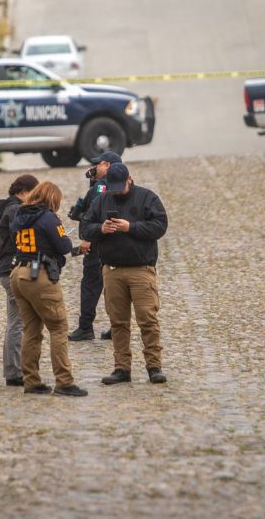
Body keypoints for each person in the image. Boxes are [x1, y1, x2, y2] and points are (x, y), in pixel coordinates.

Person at [80, 163, 169, 385]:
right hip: (112, 270)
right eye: (113, 187)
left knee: (147, 319)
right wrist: (101, 229)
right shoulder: (102, 199)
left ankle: (154, 366)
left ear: (130, 179)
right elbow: (85, 227)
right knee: (118, 322)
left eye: (120, 186)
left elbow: (160, 226)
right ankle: (122, 368)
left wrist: (131, 227)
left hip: (141, 269)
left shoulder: (147, 198)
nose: (117, 191)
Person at [10, 182, 88, 397]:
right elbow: (63, 247)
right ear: (51, 199)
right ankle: (64, 382)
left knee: (32, 331)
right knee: (58, 327)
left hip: (18, 274)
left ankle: (31, 381)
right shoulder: (47, 217)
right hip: (39, 276)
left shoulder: (20, 214)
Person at [67, 151, 124, 342]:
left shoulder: (100, 187)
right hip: (117, 245)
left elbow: (93, 214)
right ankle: (117, 326)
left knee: (90, 286)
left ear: (107, 165)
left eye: (97, 164)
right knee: (115, 288)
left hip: (97, 245)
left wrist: (88, 238)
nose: (93, 168)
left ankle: (85, 327)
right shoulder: (122, 185)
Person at [0, 173, 39, 387]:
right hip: (11, 270)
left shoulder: (10, 208)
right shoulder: (14, 210)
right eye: (34, 193)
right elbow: (21, 236)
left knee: (14, 320)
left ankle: (13, 370)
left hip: (6, 270)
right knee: (18, 321)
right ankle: (15, 371)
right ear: (23, 192)